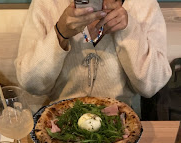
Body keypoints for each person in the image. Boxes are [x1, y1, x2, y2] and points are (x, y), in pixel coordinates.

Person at [15, 0, 172, 108]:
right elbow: (31, 83)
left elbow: (152, 85)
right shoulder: (47, 4)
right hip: (61, 120)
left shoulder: (144, 5)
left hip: (121, 122)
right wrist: (60, 33)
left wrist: (129, 28)